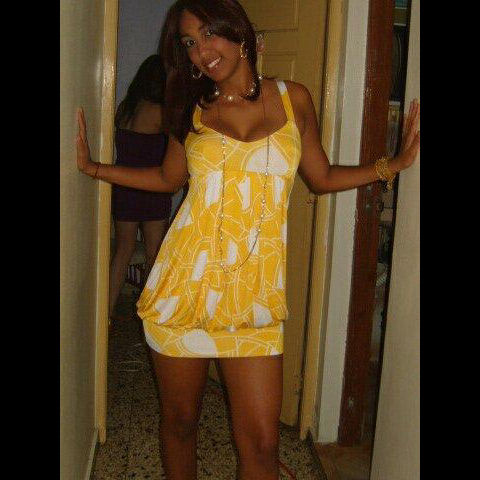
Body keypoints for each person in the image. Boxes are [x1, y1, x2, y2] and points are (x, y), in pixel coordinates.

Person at [76, 1, 420, 478]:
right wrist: (95, 168)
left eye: (209, 34)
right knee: (180, 423)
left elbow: (320, 177)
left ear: (238, 32)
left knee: (261, 444)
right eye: (189, 43)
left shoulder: (293, 98)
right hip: (184, 289)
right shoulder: (190, 108)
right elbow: (167, 178)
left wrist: (390, 166)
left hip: (254, 299)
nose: (201, 51)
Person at [109, 54, 172, 321]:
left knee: (122, 251)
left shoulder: (125, 108)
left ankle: (106, 314)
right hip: (151, 187)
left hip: (124, 187)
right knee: (153, 254)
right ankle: (149, 315)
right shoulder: (159, 112)